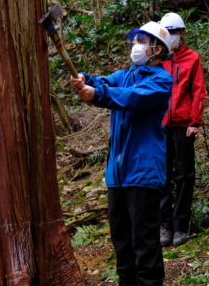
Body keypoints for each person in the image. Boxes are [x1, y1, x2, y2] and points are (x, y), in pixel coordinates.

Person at [71, 21, 173, 286]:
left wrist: (97, 93)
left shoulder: (161, 81)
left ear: (158, 49)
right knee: (121, 240)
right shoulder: (125, 75)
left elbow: (130, 98)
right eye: (135, 40)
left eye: (143, 41)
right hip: (117, 175)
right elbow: (104, 82)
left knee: (144, 239)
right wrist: (85, 79)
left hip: (143, 172)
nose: (136, 46)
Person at [157, 12, 207, 248]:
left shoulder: (192, 58)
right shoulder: (158, 59)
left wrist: (195, 121)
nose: (172, 37)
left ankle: (181, 226)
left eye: (175, 32)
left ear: (182, 33)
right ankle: (165, 226)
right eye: (169, 33)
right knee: (163, 176)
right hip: (161, 126)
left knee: (184, 176)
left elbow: (198, 91)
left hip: (184, 125)